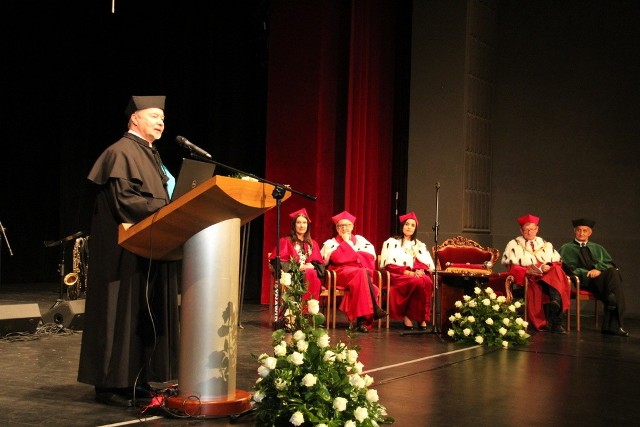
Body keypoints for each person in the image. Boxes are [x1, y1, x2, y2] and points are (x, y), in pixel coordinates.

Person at [77, 96, 180, 407]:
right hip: (120, 254)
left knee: (140, 315)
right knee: (117, 314)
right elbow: (127, 202)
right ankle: (109, 385)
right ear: (135, 119)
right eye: (153, 116)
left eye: (162, 117)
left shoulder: (149, 153)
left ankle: (137, 381)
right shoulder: (121, 152)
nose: (161, 122)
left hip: (146, 248)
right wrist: (170, 210)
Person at [559, 219, 629, 337]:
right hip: (583, 281)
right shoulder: (566, 248)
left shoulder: (598, 248)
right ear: (574, 231)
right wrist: (586, 272)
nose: (581, 233)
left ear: (590, 233)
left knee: (612, 271)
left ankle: (611, 299)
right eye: (579, 230)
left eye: (585, 231)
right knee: (613, 290)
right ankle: (614, 324)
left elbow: (609, 263)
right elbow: (565, 268)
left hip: (600, 279)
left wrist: (598, 269)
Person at [501, 214, 569, 334]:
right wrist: (527, 271)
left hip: (548, 278)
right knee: (558, 283)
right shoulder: (514, 245)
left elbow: (557, 263)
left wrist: (546, 266)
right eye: (526, 229)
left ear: (537, 229)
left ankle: (556, 308)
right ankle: (556, 318)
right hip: (531, 278)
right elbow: (512, 267)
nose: (529, 232)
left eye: (532, 229)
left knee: (557, 271)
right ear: (521, 230)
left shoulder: (546, 244)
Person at [321, 210, 387, 333]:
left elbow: (370, 258)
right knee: (363, 274)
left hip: (359, 274)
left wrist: (348, 254)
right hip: (340, 274)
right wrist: (347, 245)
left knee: (363, 275)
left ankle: (361, 321)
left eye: (347, 225)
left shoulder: (361, 240)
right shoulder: (331, 243)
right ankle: (372, 310)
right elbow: (337, 258)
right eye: (341, 226)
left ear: (352, 226)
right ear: (337, 228)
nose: (344, 228)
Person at [379, 212, 435, 330]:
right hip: (398, 275)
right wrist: (409, 272)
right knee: (418, 282)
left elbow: (425, 263)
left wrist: (420, 270)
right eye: (407, 224)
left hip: (415, 274)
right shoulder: (392, 242)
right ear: (402, 226)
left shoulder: (419, 245)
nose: (409, 227)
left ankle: (420, 317)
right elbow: (389, 265)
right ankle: (409, 317)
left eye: (412, 225)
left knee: (427, 281)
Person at [269, 208, 325, 303]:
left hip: (310, 276)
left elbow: (320, 266)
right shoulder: (285, 241)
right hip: (292, 276)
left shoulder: (313, 244)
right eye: (298, 222)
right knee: (310, 274)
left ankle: (308, 310)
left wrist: (312, 266)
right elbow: (277, 262)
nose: (302, 225)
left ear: (308, 225)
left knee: (312, 274)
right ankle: (303, 311)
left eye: (304, 223)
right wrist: (299, 267)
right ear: (294, 225)